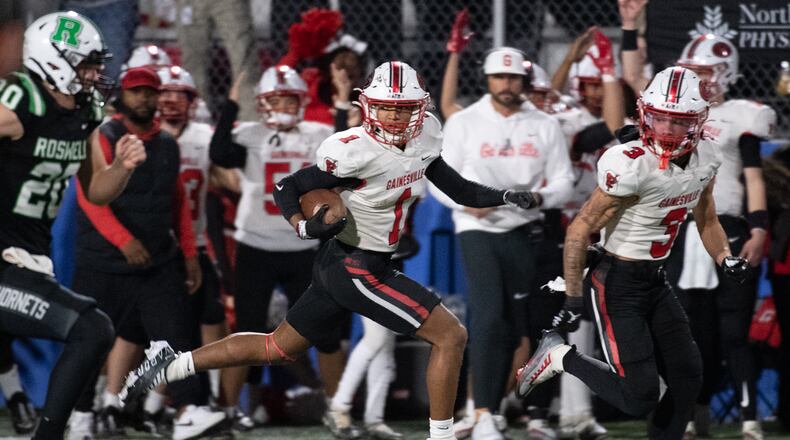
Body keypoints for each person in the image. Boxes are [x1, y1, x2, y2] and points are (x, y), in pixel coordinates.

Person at [120, 60, 540, 440]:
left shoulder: (426, 134)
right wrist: (302, 224)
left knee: (276, 348)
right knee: (451, 335)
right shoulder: (352, 149)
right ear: (369, 105)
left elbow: (455, 185)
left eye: (405, 107)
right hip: (356, 265)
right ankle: (442, 436)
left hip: (353, 263)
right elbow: (289, 186)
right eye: (387, 107)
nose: (395, 115)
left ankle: (173, 363)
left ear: (419, 107)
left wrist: (503, 195)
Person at [516, 66, 751, 440]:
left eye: (679, 121)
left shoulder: (706, 156)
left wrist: (725, 257)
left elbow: (706, 218)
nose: (668, 130)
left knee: (687, 377)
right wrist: (574, 297)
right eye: (660, 119)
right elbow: (579, 230)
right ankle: (561, 356)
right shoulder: (630, 163)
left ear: (698, 120)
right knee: (639, 396)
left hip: (656, 278)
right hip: (618, 281)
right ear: (645, 114)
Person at [623, 28, 777, 440]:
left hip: (723, 223)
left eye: (706, 71)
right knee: (687, 330)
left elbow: (752, 175)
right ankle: (691, 413)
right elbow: (635, 82)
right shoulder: (671, 114)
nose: (699, 79)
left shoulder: (741, 115)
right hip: (676, 226)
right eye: (692, 71)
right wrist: (631, 32)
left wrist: (759, 226)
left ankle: (748, 418)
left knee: (733, 330)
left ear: (727, 72)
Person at [0, 11, 146, 439]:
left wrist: (123, 167)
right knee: (91, 327)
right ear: (53, 61)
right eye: (86, 64)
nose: (96, 73)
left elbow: (98, 189)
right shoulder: (20, 100)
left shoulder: (84, 111)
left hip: (28, 257)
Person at [69, 66, 226, 440]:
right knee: (90, 340)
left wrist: (189, 254)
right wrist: (122, 240)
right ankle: (80, 415)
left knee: (174, 335)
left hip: (157, 259)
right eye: (137, 91)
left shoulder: (168, 144)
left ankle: (188, 410)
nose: (144, 98)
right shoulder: (102, 135)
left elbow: (176, 203)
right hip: (103, 261)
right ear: (122, 95)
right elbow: (89, 198)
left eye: (150, 92)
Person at [433, 44, 574, 440]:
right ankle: (482, 413)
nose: (507, 84)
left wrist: (542, 198)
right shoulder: (466, 121)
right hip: (477, 227)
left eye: (513, 77)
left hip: (523, 227)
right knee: (489, 315)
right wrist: (468, 203)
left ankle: (490, 410)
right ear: (488, 79)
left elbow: (563, 179)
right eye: (500, 76)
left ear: (524, 80)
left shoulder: (545, 124)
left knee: (515, 327)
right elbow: (440, 177)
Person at [208, 65, 336, 428]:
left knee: (322, 329)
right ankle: (233, 409)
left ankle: (337, 408)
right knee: (247, 327)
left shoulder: (318, 134)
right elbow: (219, 153)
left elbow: (345, 162)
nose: (281, 104)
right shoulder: (250, 134)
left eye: (287, 98)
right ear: (262, 103)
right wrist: (231, 105)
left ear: (301, 101)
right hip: (256, 245)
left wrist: (342, 109)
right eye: (274, 98)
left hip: (303, 247)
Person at [157, 63, 248, 430]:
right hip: (152, 250)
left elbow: (235, 182)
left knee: (213, 319)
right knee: (143, 331)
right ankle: (127, 401)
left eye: (180, 95)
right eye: (165, 95)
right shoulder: (140, 136)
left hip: (194, 247)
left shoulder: (202, 137)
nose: (172, 102)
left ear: (192, 102)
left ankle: (207, 400)